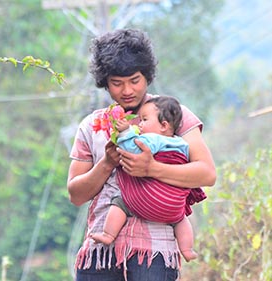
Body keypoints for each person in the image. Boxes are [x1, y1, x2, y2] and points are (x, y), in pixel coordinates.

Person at [67, 28, 216, 281]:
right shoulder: (92, 126)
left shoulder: (172, 115)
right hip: (99, 254)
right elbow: (76, 194)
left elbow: (207, 173)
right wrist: (106, 163)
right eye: (117, 83)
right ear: (105, 82)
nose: (127, 90)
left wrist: (152, 169)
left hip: (155, 254)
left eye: (134, 80)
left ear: (147, 76)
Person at [90, 96, 207, 263]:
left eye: (144, 120)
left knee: (119, 202)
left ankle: (108, 234)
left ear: (164, 126)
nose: (140, 124)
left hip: (149, 201)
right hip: (172, 206)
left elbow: (132, 149)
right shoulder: (181, 144)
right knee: (182, 218)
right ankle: (187, 249)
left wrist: (124, 132)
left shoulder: (152, 139)